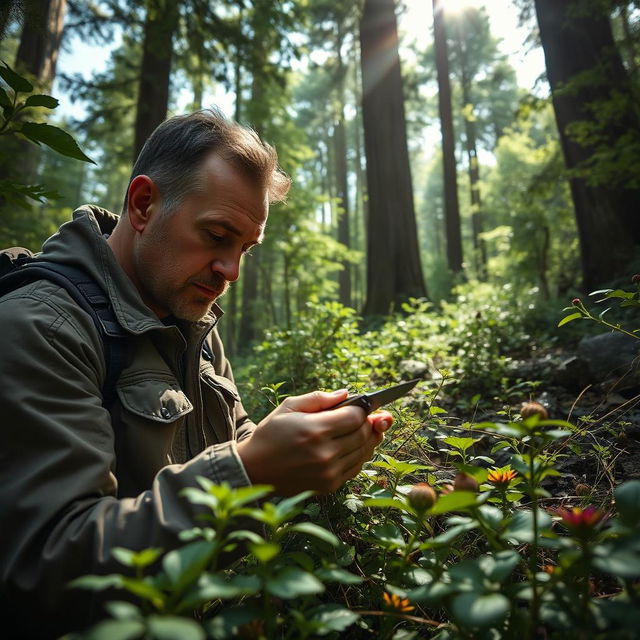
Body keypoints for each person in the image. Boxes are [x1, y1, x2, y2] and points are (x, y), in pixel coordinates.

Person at [0, 108, 392, 638]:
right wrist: (249, 470)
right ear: (143, 205)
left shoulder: (189, 313)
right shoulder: (43, 327)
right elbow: (47, 563)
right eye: (215, 235)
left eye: (244, 249)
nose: (230, 270)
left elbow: (234, 439)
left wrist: (302, 443)